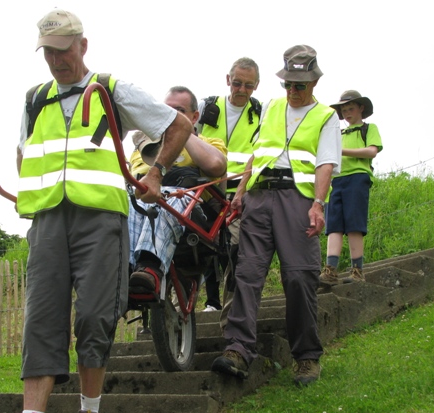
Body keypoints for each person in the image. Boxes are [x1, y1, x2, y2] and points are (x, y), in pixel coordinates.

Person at [0, 9, 192, 413]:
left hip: (102, 219)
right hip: (50, 221)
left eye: (63, 50)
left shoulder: (112, 91)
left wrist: (154, 173)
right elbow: (23, 153)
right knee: (42, 318)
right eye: (48, 52)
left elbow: (177, 125)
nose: (56, 60)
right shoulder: (35, 100)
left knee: (95, 314)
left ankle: (89, 412)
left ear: (83, 46)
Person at [211, 45, 341, 387]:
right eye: (288, 85)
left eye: (300, 85)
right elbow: (257, 153)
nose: (293, 91)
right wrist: (239, 195)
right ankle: (238, 350)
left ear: (313, 82)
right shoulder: (270, 107)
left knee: (299, 277)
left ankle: (307, 357)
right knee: (247, 272)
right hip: (257, 196)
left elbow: (326, 163)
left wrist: (318, 204)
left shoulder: (326, 117)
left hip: (297, 200)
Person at [128, 86, 228, 296]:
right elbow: (140, 175)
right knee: (130, 201)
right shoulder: (146, 145)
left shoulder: (210, 143)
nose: (171, 116)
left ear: (195, 116)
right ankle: (127, 269)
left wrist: (180, 130)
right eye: (167, 111)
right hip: (151, 204)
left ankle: (150, 266)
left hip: (195, 212)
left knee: (170, 195)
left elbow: (216, 165)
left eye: (179, 111)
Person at [196, 57, 262, 313]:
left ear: (256, 85)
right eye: (237, 83)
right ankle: (211, 301)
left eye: (249, 85)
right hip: (207, 189)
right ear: (228, 80)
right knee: (206, 245)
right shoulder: (208, 106)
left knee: (235, 249)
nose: (242, 90)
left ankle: (232, 305)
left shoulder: (260, 112)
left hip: (240, 192)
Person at [319, 90, 383, 284]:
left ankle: (357, 271)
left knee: (355, 225)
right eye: (344, 110)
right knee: (333, 226)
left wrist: (341, 151)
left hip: (358, 178)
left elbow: (372, 151)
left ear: (360, 109)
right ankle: (330, 270)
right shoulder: (337, 133)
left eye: (351, 109)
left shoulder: (368, 128)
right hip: (336, 180)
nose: (347, 113)